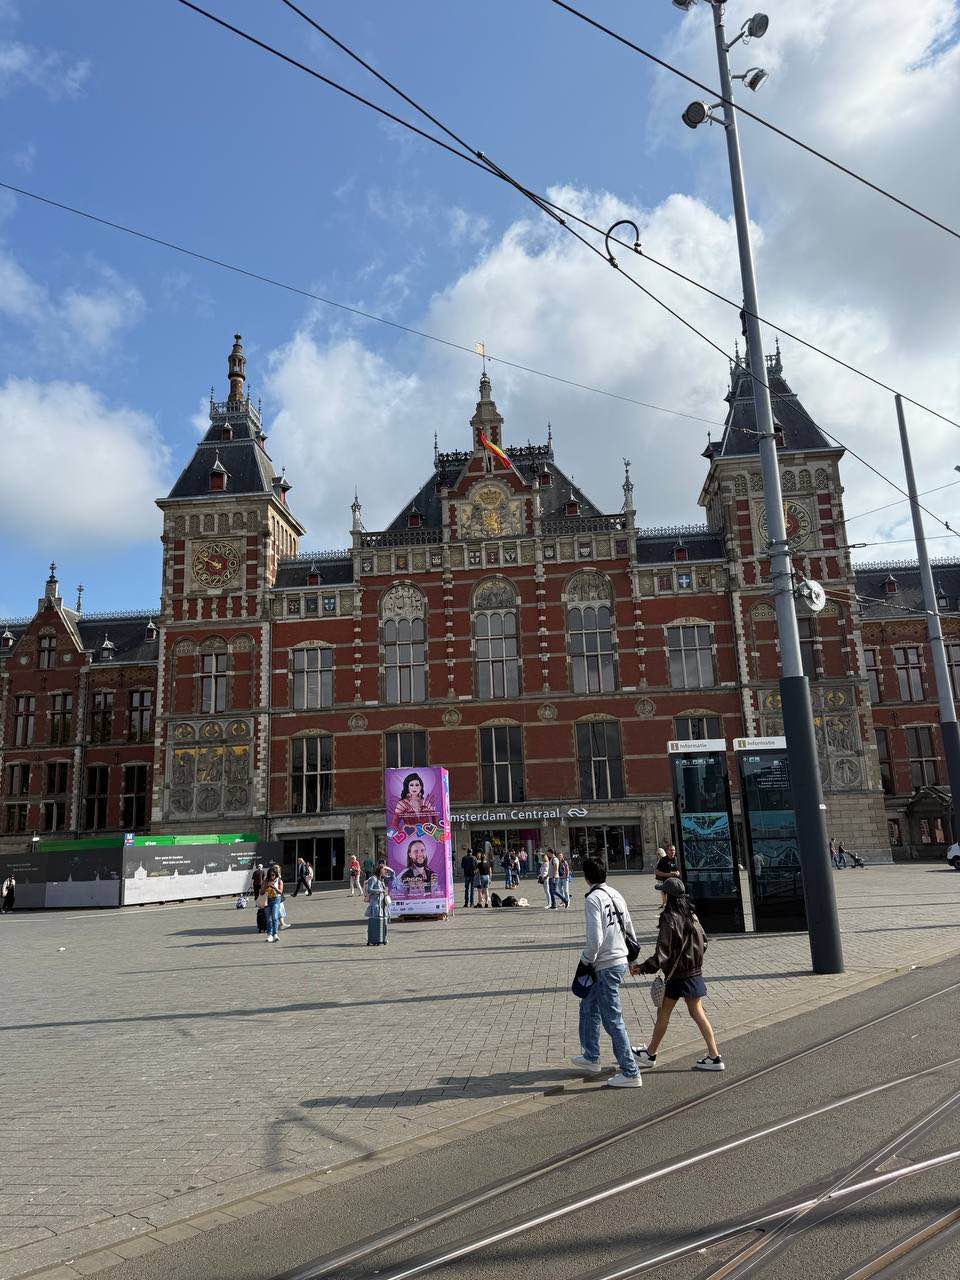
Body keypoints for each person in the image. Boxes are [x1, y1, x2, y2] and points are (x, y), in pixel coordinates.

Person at [630, 876, 724, 1072]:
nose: (662, 896)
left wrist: (643, 967)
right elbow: (705, 942)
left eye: (663, 892)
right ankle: (714, 1056)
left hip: (677, 975)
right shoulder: (692, 915)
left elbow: (662, 953)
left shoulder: (669, 917)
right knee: (697, 1012)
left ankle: (650, 1053)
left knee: (664, 1012)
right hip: (693, 972)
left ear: (668, 896)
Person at [570, 856, 641, 1088]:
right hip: (618, 959)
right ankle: (591, 1056)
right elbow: (629, 928)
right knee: (588, 1006)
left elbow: (595, 939)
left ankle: (630, 1071)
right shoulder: (616, 894)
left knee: (612, 1018)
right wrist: (632, 959)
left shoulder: (593, 899)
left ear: (586, 877)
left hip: (605, 964)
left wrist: (585, 960)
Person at [364, 861, 390, 945]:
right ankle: (373, 937)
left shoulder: (381, 879)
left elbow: (393, 876)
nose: (385, 871)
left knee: (383, 921)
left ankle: (382, 938)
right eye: (384, 869)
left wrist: (389, 869)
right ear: (379, 870)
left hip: (382, 903)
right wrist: (379, 890)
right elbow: (369, 889)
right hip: (375, 903)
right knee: (375, 921)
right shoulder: (373, 878)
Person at [262, 865, 283, 942]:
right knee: (268, 919)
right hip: (267, 900)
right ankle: (269, 935)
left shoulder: (279, 881)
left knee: (274, 917)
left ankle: (275, 934)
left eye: (273, 875)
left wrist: (274, 887)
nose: (272, 876)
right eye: (270, 875)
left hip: (276, 900)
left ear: (276, 874)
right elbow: (261, 892)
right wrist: (266, 887)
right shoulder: (266, 881)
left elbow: (280, 892)